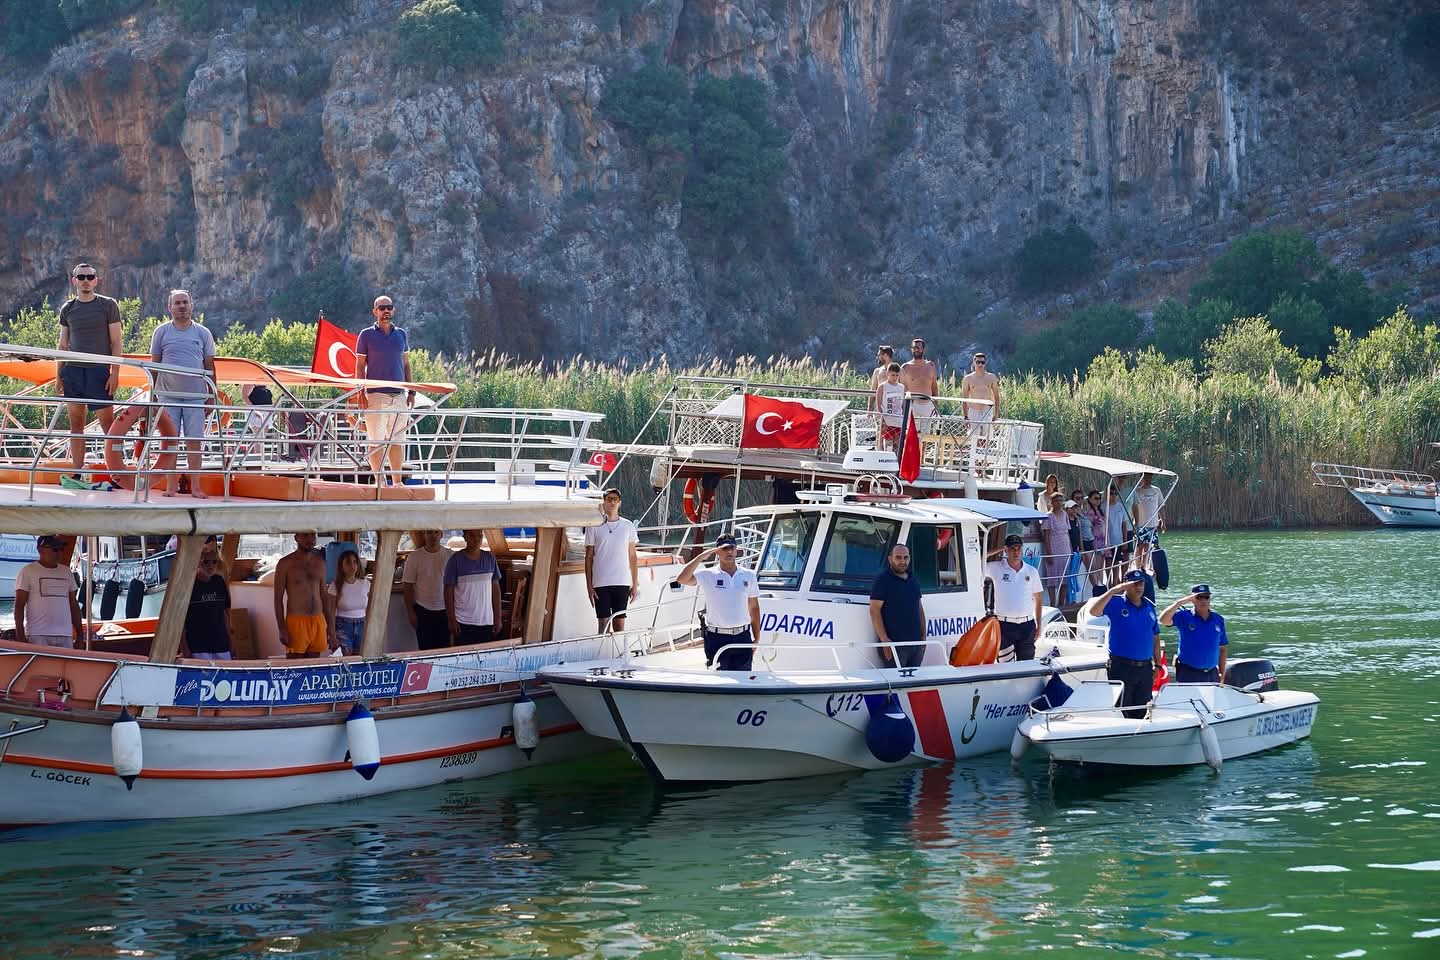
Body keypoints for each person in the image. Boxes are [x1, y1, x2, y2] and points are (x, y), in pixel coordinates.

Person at [55, 263, 123, 487]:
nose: (86, 280)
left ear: (96, 280)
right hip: (73, 371)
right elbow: (63, 344)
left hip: (99, 371)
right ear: (74, 280)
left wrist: (115, 373)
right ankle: (76, 473)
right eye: (81, 276)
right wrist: (59, 374)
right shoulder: (68, 308)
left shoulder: (108, 305)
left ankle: (117, 473)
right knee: (76, 423)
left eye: (90, 276)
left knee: (108, 425)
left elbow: (116, 342)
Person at [149, 289, 217, 498]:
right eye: (177, 303)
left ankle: (195, 486)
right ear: (170, 308)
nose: (181, 306)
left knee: (194, 442)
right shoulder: (161, 332)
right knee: (170, 442)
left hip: (195, 398)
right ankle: (171, 486)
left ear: (192, 305)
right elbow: (155, 364)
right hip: (168, 396)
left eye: (185, 302)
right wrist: (152, 395)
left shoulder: (203, 333)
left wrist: (211, 396)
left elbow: (210, 366)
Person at [676, 533, 760, 671]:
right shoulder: (708, 574)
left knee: (744, 682)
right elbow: (682, 579)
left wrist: (756, 638)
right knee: (718, 680)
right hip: (716, 638)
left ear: (736, 549)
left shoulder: (749, 575)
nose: (729, 551)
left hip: (742, 637)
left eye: (732, 547)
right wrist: (700, 557)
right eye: (725, 548)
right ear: (717, 551)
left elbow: (754, 607)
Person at [353, 295, 414, 485]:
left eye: (389, 307)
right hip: (375, 395)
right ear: (375, 311)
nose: (386, 311)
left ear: (393, 310)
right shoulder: (366, 335)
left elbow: (406, 364)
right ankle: (380, 482)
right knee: (376, 441)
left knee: (397, 441)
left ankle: (397, 483)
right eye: (382, 308)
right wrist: (359, 392)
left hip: (399, 396)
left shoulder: (401, 334)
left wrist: (411, 392)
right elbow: (359, 366)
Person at [1085, 570, 1161, 718]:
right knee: (1122, 710)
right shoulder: (1115, 602)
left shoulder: (1149, 607)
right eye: (1134, 584)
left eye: (1141, 583)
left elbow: (1155, 637)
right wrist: (1112, 591)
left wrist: (1157, 664)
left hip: (1145, 669)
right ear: (1126, 585)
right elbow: (1094, 611)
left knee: (1143, 710)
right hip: (1122, 667)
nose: (1138, 587)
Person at [585, 488, 639, 632]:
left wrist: (634, 584)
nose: (612, 502)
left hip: (622, 581)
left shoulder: (628, 526)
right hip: (600, 582)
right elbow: (589, 557)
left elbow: (633, 557)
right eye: (609, 499)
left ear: (620, 503)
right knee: (603, 624)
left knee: (619, 624)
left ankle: (619, 654)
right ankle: (603, 653)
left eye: (615, 499)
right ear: (604, 502)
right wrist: (589, 585)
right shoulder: (594, 526)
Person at [13, 535, 83, 648]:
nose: (59, 553)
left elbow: (73, 605)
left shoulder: (66, 572)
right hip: (38, 634)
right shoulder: (27, 571)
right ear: (40, 550)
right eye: (55, 549)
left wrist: (80, 635)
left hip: (65, 634)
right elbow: (19, 606)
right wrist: (20, 636)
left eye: (61, 549)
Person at [272, 531, 334, 658]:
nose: (310, 539)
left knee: (314, 669)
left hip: (318, 621)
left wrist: (331, 629)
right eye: (305, 535)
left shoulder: (320, 563)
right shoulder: (285, 564)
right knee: (296, 668)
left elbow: (324, 596)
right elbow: (277, 599)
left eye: (313, 535)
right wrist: (282, 628)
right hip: (296, 622)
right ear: (296, 538)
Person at [985, 533, 1042, 661]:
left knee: (1026, 665)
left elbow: (1038, 599)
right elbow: (976, 560)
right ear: (1006, 550)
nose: (1016, 552)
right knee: (1006, 666)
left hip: (1027, 625)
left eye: (1018, 548)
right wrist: (999, 549)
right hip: (1004, 626)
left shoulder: (1032, 571)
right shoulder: (996, 568)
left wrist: (1039, 625)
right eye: (1012, 549)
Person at [869, 543, 927, 668]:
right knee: (897, 686)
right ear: (890, 558)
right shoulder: (882, 580)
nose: (902, 561)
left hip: (916, 645)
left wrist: (924, 635)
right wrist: (884, 639)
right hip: (894, 647)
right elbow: (874, 611)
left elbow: (919, 608)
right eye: (898, 557)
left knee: (914, 685)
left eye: (905, 557)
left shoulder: (913, 580)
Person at [1159, 584, 1228, 683]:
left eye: (1206, 597)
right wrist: (1179, 603)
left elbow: (1223, 649)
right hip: (1188, 672)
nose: (1203, 600)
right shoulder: (1184, 616)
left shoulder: (1218, 619)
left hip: (1211, 673)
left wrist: (1222, 672)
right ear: (1192, 599)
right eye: (1199, 597)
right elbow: (1163, 620)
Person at [444, 529, 503, 645]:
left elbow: (496, 589)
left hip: (487, 621)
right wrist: (451, 619)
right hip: (462, 623)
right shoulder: (455, 560)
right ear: (465, 537)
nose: (476, 539)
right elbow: (447, 590)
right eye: (472, 535)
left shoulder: (490, 558)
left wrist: (498, 618)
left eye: (479, 536)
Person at [402, 529, 452, 650]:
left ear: (441, 535)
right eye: (429, 532)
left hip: (446, 611)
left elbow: (457, 585)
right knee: (425, 650)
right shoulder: (414, 557)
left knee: (444, 651)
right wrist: (411, 613)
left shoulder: (451, 555)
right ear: (424, 534)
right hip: (423, 611)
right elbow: (407, 587)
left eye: (436, 532)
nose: (433, 536)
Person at [183, 540, 233, 660]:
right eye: (206, 562)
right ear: (198, 562)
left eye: (214, 562)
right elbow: (180, 623)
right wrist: (185, 649)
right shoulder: (188, 585)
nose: (211, 565)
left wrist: (231, 642)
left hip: (221, 645)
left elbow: (225, 614)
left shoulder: (219, 582)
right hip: (198, 647)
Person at [328, 548, 370, 655]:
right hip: (343, 625)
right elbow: (331, 612)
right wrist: (332, 634)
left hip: (362, 625)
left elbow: (371, 609)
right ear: (341, 566)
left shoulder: (366, 584)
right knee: (345, 658)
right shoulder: (335, 585)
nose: (352, 565)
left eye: (355, 562)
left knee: (360, 658)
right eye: (348, 562)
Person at [899, 337, 938, 431]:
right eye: (914, 347)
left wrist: (936, 407)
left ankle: (923, 446)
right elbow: (901, 389)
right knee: (912, 434)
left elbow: (934, 388)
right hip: (913, 405)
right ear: (911, 349)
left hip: (928, 404)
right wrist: (902, 408)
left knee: (926, 435)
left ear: (923, 349)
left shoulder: (931, 366)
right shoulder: (905, 367)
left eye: (918, 347)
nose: (916, 349)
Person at [1128, 472, 1165, 573]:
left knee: (1148, 546)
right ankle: (1137, 565)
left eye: (1150, 477)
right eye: (1146, 477)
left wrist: (1163, 522)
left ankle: (1143, 565)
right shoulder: (1137, 491)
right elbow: (1131, 507)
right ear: (1142, 478)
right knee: (1139, 546)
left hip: (1153, 524)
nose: (1148, 479)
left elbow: (1161, 507)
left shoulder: (1156, 490)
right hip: (1140, 524)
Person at [1040, 492, 1070, 606]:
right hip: (1053, 548)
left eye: (1061, 500)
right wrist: (1049, 554)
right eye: (1056, 500)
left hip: (1065, 548)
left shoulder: (1065, 514)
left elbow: (1067, 532)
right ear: (1051, 502)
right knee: (1052, 577)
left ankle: (1061, 603)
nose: (1059, 503)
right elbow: (1046, 536)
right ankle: (1053, 603)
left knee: (1065, 577)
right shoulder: (1048, 516)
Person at [1104, 483, 1131, 586]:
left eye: (1115, 493)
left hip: (1118, 539)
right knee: (1108, 562)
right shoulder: (1103, 506)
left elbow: (1124, 524)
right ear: (1107, 494)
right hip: (1107, 540)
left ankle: (1115, 584)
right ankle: (1108, 583)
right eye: (1111, 493)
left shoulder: (1120, 506)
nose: (1113, 495)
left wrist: (1124, 541)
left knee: (1116, 562)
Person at [961, 352, 1000, 422]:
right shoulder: (968, 379)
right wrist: (965, 416)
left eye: (982, 362)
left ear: (985, 363)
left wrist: (996, 414)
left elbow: (996, 397)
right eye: (978, 362)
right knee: (973, 433)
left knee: (987, 433)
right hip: (973, 412)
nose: (980, 364)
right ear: (974, 363)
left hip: (987, 412)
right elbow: (964, 399)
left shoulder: (992, 377)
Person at [874, 362, 905, 446]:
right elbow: (879, 404)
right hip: (886, 419)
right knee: (887, 442)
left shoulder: (901, 387)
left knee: (897, 442)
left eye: (896, 375)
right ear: (887, 373)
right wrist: (882, 419)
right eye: (892, 375)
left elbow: (903, 405)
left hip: (898, 419)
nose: (895, 377)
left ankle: (896, 458)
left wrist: (904, 417)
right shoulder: (882, 386)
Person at [1083, 489, 1107, 589]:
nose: (1098, 500)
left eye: (1099, 498)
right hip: (1095, 541)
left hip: (1102, 541)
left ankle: (1101, 584)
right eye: (1096, 498)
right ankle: (1097, 586)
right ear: (1090, 499)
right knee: (1096, 567)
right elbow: (1090, 527)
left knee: (1101, 567)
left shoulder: (1100, 511)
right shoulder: (1089, 513)